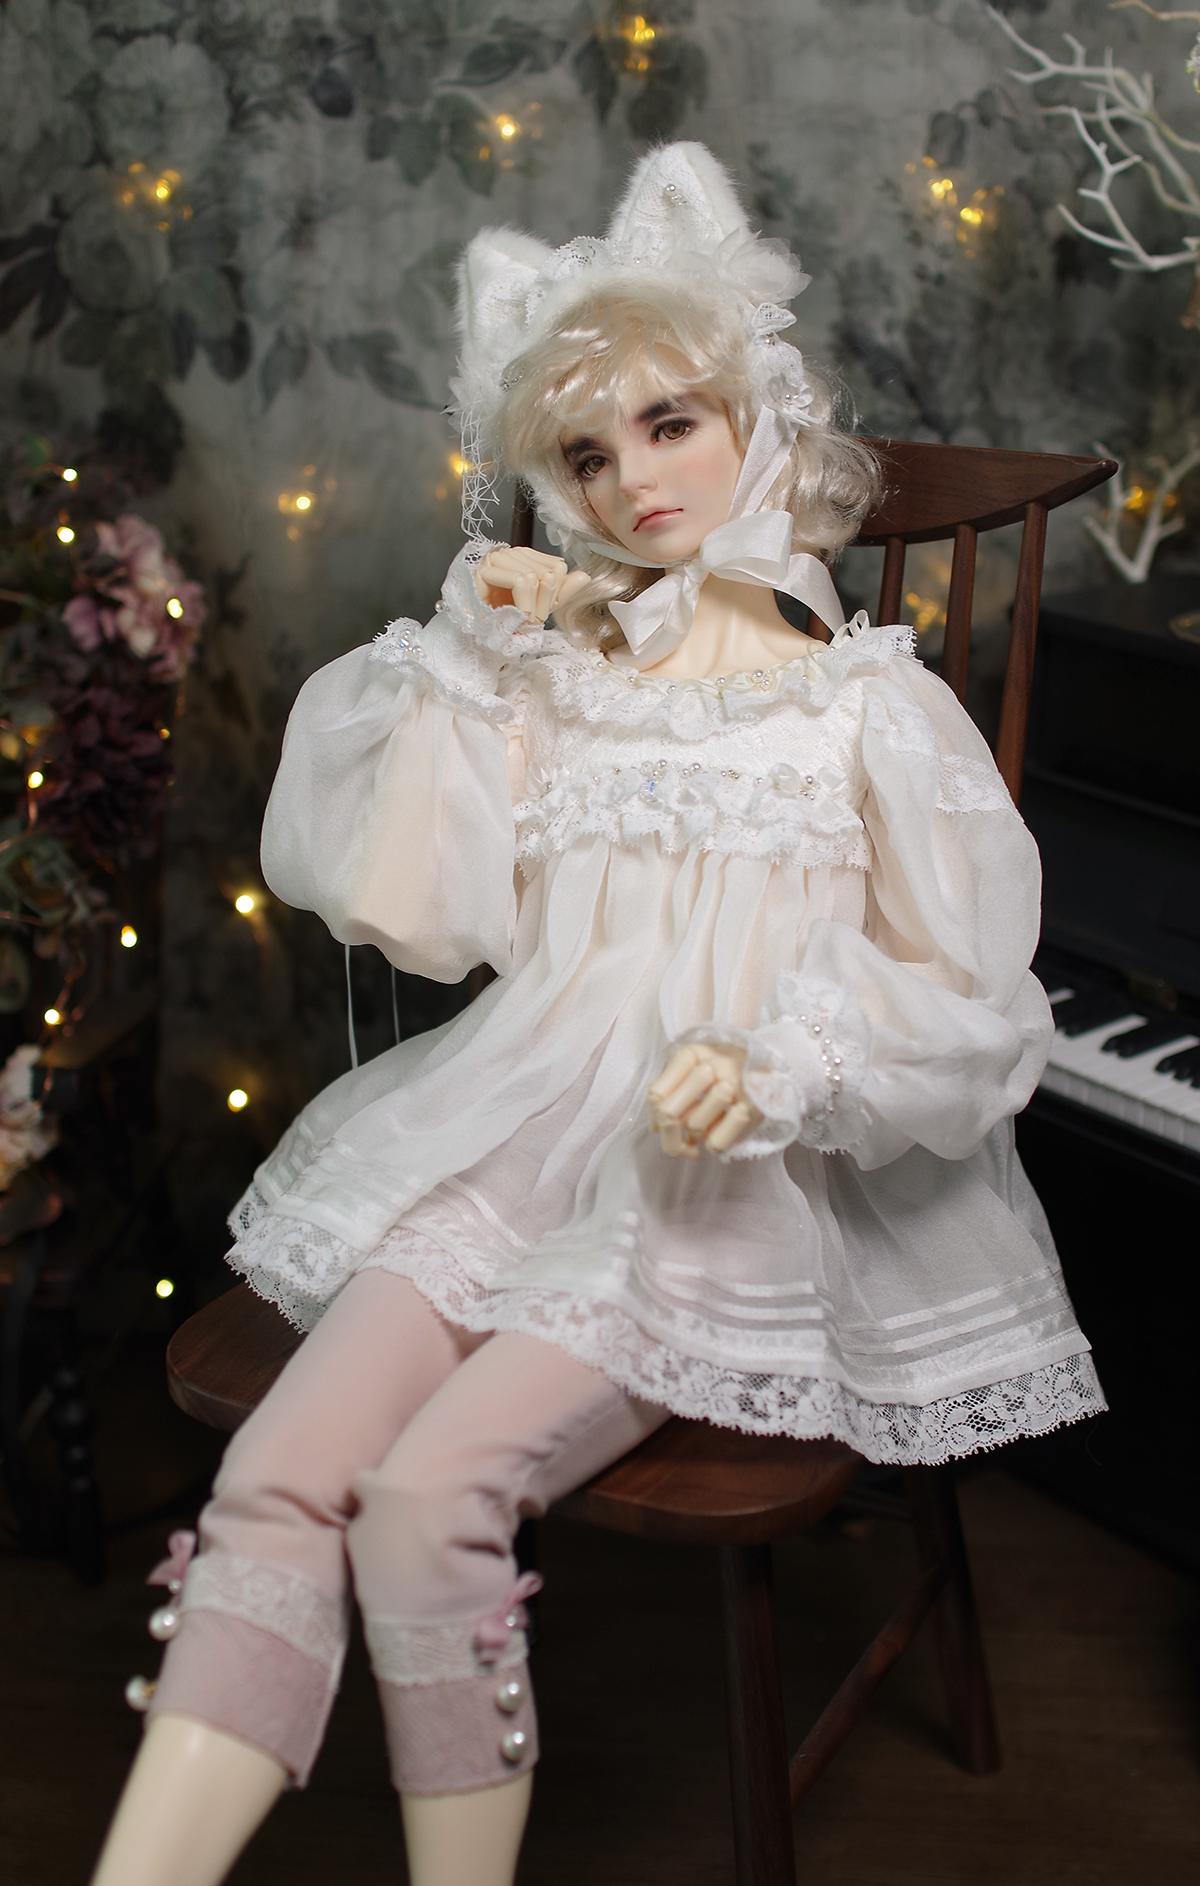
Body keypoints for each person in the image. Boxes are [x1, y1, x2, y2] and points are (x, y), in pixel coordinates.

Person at [91, 142, 1103, 1886]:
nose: (635, 480)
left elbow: (974, 994)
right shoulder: (551, 679)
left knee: (427, 1503)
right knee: (277, 1477)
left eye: (669, 424)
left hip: (707, 1183)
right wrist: (470, 661)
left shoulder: (864, 706)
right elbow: (417, 911)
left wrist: (783, 1059)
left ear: (755, 417)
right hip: (513, 1129)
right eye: (584, 453)